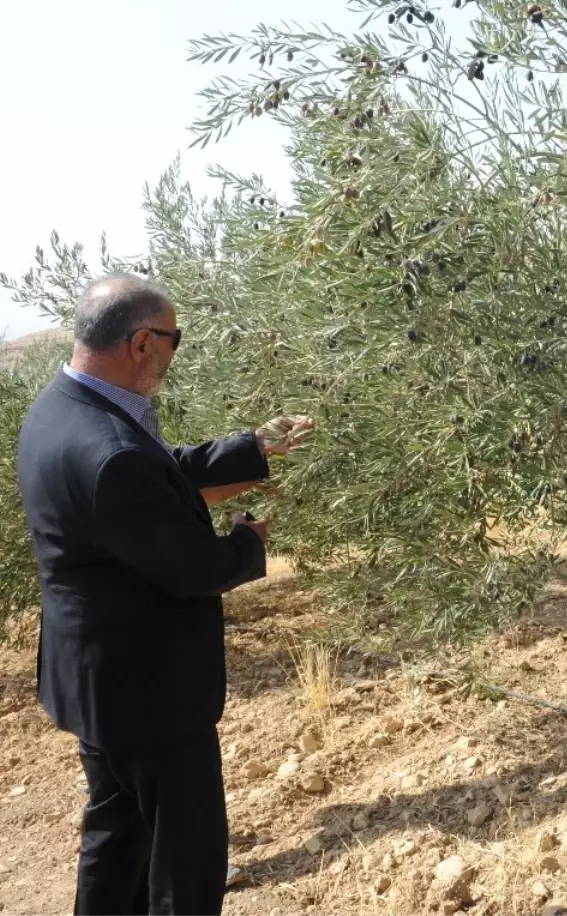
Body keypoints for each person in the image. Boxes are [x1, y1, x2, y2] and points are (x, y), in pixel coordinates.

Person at [16, 274, 314, 916]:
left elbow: (154, 478)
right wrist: (247, 540)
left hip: (97, 682)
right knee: (187, 859)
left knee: (118, 836)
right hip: (150, 694)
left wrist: (252, 448)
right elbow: (194, 567)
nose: (175, 359)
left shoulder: (61, 409)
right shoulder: (109, 447)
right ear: (144, 342)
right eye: (175, 343)